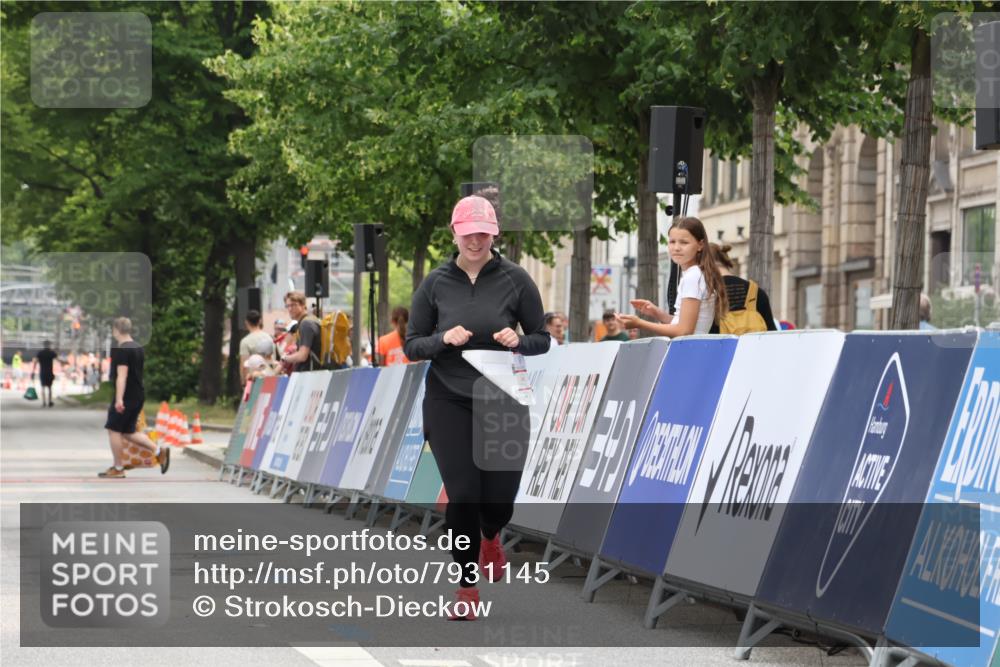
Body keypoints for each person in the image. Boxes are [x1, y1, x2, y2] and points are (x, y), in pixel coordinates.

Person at [404, 195, 549, 620]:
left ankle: (492, 534)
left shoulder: (516, 279)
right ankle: (466, 587)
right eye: (468, 233)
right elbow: (413, 345)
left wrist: (518, 340)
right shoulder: (435, 283)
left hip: (502, 396)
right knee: (463, 495)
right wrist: (441, 339)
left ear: (494, 234)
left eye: (483, 233)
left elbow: (541, 337)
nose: (475, 241)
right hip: (448, 398)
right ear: (454, 233)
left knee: (499, 502)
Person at [618, 217, 728, 338]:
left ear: (700, 245)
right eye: (672, 242)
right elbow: (683, 325)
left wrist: (639, 323)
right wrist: (657, 313)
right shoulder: (696, 274)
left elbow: (684, 331)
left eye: (684, 242)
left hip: (688, 350)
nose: (676, 248)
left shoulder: (693, 276)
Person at [99, 317, 169, 478]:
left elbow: (121, 376)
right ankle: (159, 451)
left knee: (113, 430)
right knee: (128, 431)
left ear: (116, 329)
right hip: (138, 394)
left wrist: (119, 399)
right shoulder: (138, 348)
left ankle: (118, 468)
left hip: (126, 396)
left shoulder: (122, 350)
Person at [706, 243, 777, 334]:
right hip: (752, 347)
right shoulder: (755, 292)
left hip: (721, 347)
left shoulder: (707, 293)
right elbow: (772, 333)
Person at [279, 291, 321, 373]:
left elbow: (302, 356)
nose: (290, 309)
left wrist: (285, 358)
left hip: (311, 374)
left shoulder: (306, 324)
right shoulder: (311, 320)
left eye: (293, 305)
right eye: (287, 306)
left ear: (303, 305)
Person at [239, 309, 276, 382]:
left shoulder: (245, 341)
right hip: (271, 378)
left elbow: (244, 365)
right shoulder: (270, 338)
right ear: (260, 321)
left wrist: (244, 382)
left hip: (254, 381)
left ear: (246, 322)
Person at [31, 340, 58, 407]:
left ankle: (44, 402)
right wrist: (64, 363)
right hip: (50, 372)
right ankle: (49, 402)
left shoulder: (40, 353)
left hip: (42, 372)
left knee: (42, 387)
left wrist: (33, 371)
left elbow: (35, 362)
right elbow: (58, 359)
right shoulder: (51, 353)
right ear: (49, 345)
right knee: (50, 387)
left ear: (44, 345)